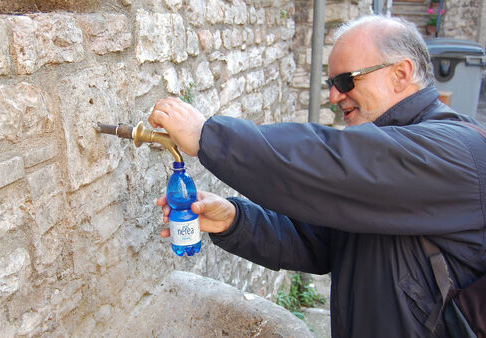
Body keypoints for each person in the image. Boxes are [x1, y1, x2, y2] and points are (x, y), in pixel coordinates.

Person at [148, 15, 486, 337]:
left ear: (401, 74)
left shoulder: (456, 150)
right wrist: (235, 221)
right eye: (331, 83)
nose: (334, 96)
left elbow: (331, 160)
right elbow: (321, 242)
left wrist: (207, 135)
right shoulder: (393, 167)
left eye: (345, 80)